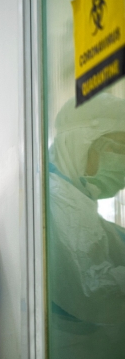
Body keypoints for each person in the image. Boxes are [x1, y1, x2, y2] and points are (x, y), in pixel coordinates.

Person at [47, 93, 125, 359]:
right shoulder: (59, 199)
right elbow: (93, 290)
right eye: (119, 149)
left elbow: (102, 237)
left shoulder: (74, 195)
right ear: (82, 143)